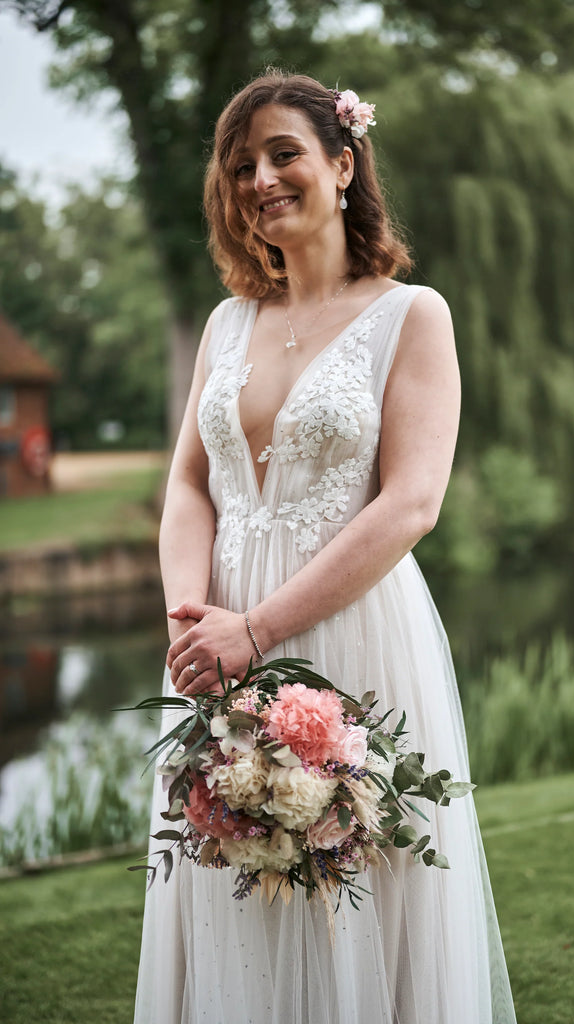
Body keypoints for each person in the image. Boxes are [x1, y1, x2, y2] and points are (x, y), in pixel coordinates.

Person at [134, 70, 516, 1024]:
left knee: (349, 880)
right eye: (240, 165)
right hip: (217, 639)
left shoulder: (410, 315)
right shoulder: (229, 323)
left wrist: (259, 630)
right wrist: (193, 621)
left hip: (346, 627)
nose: (259, 178)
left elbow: (410, 504)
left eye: (283, 154)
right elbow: (187, 484)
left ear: (343, 164)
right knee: (230, 877)